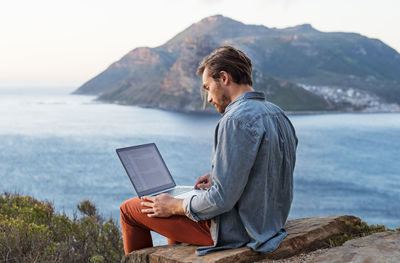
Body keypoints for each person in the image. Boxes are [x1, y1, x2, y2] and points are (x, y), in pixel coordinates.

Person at [120, 46, 298, 256]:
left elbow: (221, 199)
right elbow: (268, 171)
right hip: (270, 224)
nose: (209, 98)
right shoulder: (278, 115)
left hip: (239, 231)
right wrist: (218, 178)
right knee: (175, 206)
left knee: (130, 209)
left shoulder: (234, 120)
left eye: (207, 87)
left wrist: (175, 205)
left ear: (223, 78)